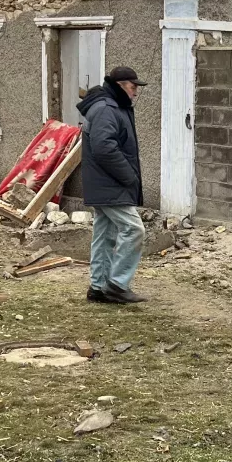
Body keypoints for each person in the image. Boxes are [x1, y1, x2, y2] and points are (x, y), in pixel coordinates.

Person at [77, 65, 148, 305]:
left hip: (105, 184)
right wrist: (129, 176)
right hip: (111, 184)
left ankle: (98, 287)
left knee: (104, 234)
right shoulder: (107, 109)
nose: (136, 91)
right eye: (132, 86)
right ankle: (117, 284)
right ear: (119, 86)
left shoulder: (112, 107)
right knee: (134, 229)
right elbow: (104, 148)